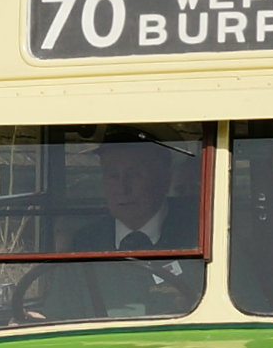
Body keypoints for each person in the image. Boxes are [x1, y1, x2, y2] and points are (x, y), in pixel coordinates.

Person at [27, 135, 202, 319]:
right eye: (113, 175)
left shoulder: (198, 234)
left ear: (165, 180)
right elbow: (60, 312)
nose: (122, 188)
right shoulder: (85, 242)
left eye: (134, 175)